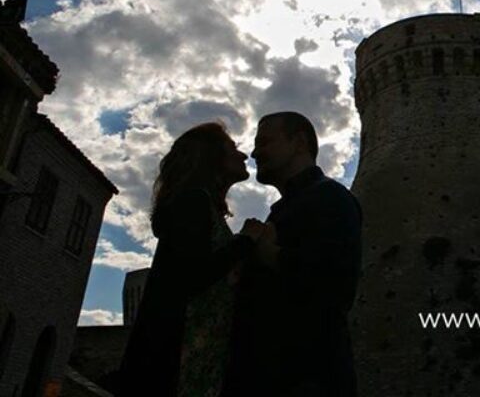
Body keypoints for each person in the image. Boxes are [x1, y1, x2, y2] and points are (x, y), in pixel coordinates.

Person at [117, 122, 268, 397]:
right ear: (211, 157)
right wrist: (245, 241)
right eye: (232, 148)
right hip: (175, 362)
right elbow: (191, 276)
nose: (243, 155)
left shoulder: (200, 205)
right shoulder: (193, 202)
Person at [224, 112, 362, 397]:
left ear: (298, 142)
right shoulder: (290, 206)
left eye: (264, 142)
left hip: (305, 379)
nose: (254, 152)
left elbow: (334, 286)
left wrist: (266, 252)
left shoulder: (329, 198)